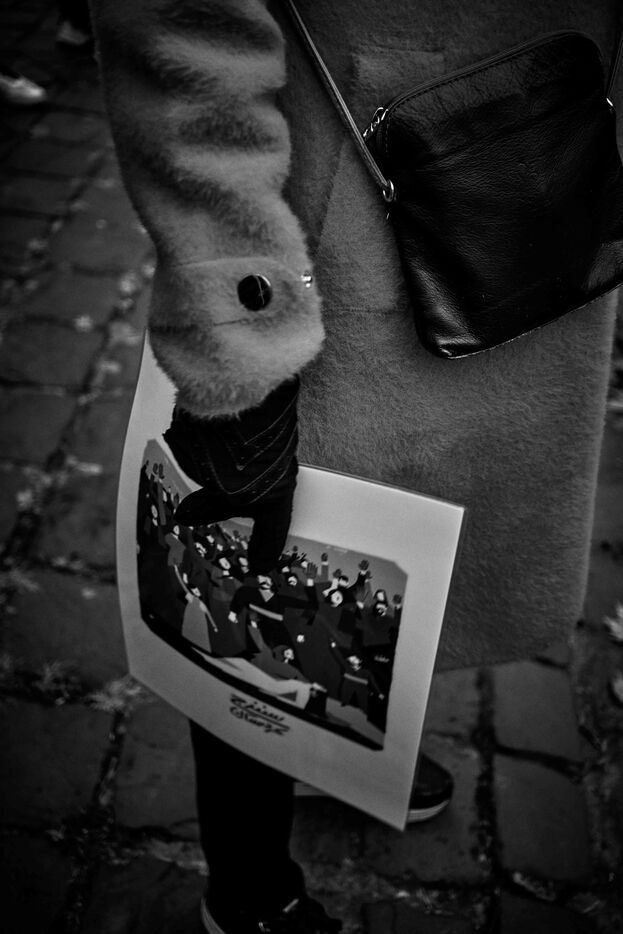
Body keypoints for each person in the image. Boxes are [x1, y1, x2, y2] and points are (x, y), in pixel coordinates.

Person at [90, 1, 621, 931]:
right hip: (345, 212)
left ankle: (332, 741)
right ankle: (247, 894)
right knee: (262, 565)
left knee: (388, 568)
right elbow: (179, 21)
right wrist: (236, 337)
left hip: (545, 182)